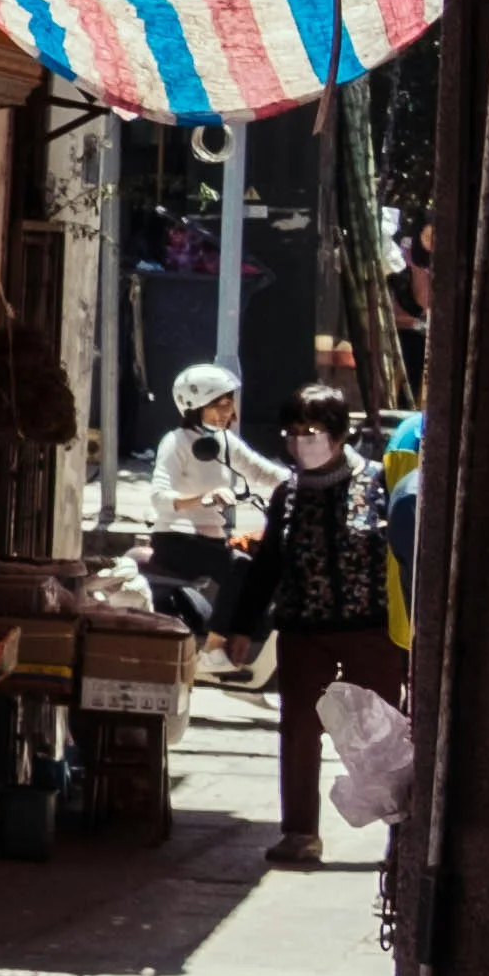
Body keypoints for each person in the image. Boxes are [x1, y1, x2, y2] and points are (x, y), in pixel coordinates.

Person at [256, 385, 405, 866]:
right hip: (304, 633)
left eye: (313, 432)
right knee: (299, 728)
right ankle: (300, 832)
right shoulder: (288, 491)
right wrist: (237, 628)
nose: (302, 442)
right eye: (293, 433)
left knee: (383, 734)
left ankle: (401, 837)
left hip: (371, 632)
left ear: (341, 435)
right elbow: (267, 563)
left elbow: (404, 556)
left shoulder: (380, 484)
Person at [139, 362, 274, 678]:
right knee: (240, 566)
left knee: (254, 566)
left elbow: (261, 470)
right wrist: (204, 497)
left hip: (209, 541)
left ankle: (230, 644)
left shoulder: (223, 442)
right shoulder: (175, 443)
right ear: (193, 405)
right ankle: (214, 649)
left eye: (229, 403)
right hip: (176, 539)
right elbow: (159, 498)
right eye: (217, 404)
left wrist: (301, 481)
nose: (226, 411)